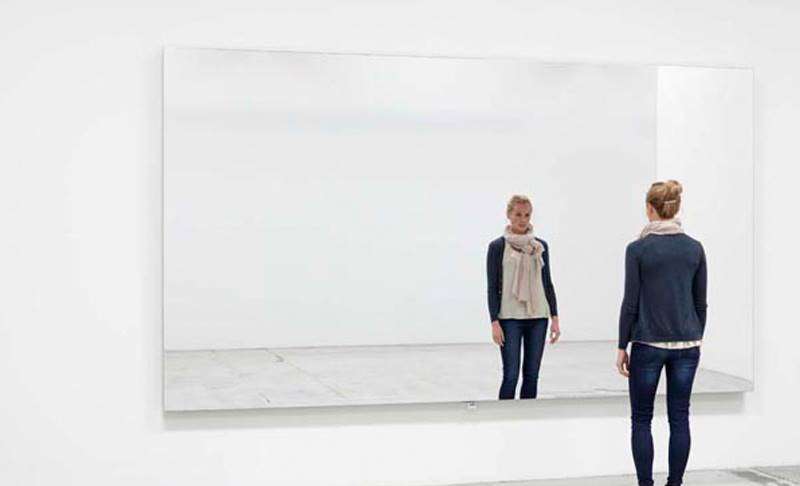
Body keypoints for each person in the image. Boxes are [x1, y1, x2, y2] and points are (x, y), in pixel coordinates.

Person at [616, 180, 708, 486]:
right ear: (676, 208)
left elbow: (630, 302)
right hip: (688, 345)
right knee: (679, 417)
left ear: (649, 208)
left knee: (642, 419)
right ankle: (675, 484)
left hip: (648, 344)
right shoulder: (694, 248)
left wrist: (622, 345)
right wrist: (695, 335)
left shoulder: (637, 249)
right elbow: (700, 303)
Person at [486, 194, 561, 400]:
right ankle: (504, 415)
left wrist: (554, 318)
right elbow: (492, 287)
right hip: (509, 318)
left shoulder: (540, 246)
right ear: (509, 215)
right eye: (518, 214)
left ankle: (528, 417)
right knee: (510, 375)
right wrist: (494, 321)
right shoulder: (497, 247)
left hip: (538, 317)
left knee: (532, 375)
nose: (522, 219)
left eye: (527, 215)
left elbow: (547, 282)